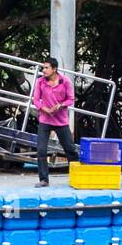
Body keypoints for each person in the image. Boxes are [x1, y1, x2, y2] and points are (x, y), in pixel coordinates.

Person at [31, 56, 78, 187]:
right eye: (43, 67)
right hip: (45, 119)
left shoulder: (65, 81)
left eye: (46, 68)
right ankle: (44, 179)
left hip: (61, 121)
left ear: (54, 69)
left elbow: (71, 99)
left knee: (70, 150)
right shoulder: (40, 82)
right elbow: (35, 100)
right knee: (41, 150)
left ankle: (76, 176)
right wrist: (44, 108)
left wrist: (60, 106)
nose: (43, 70)